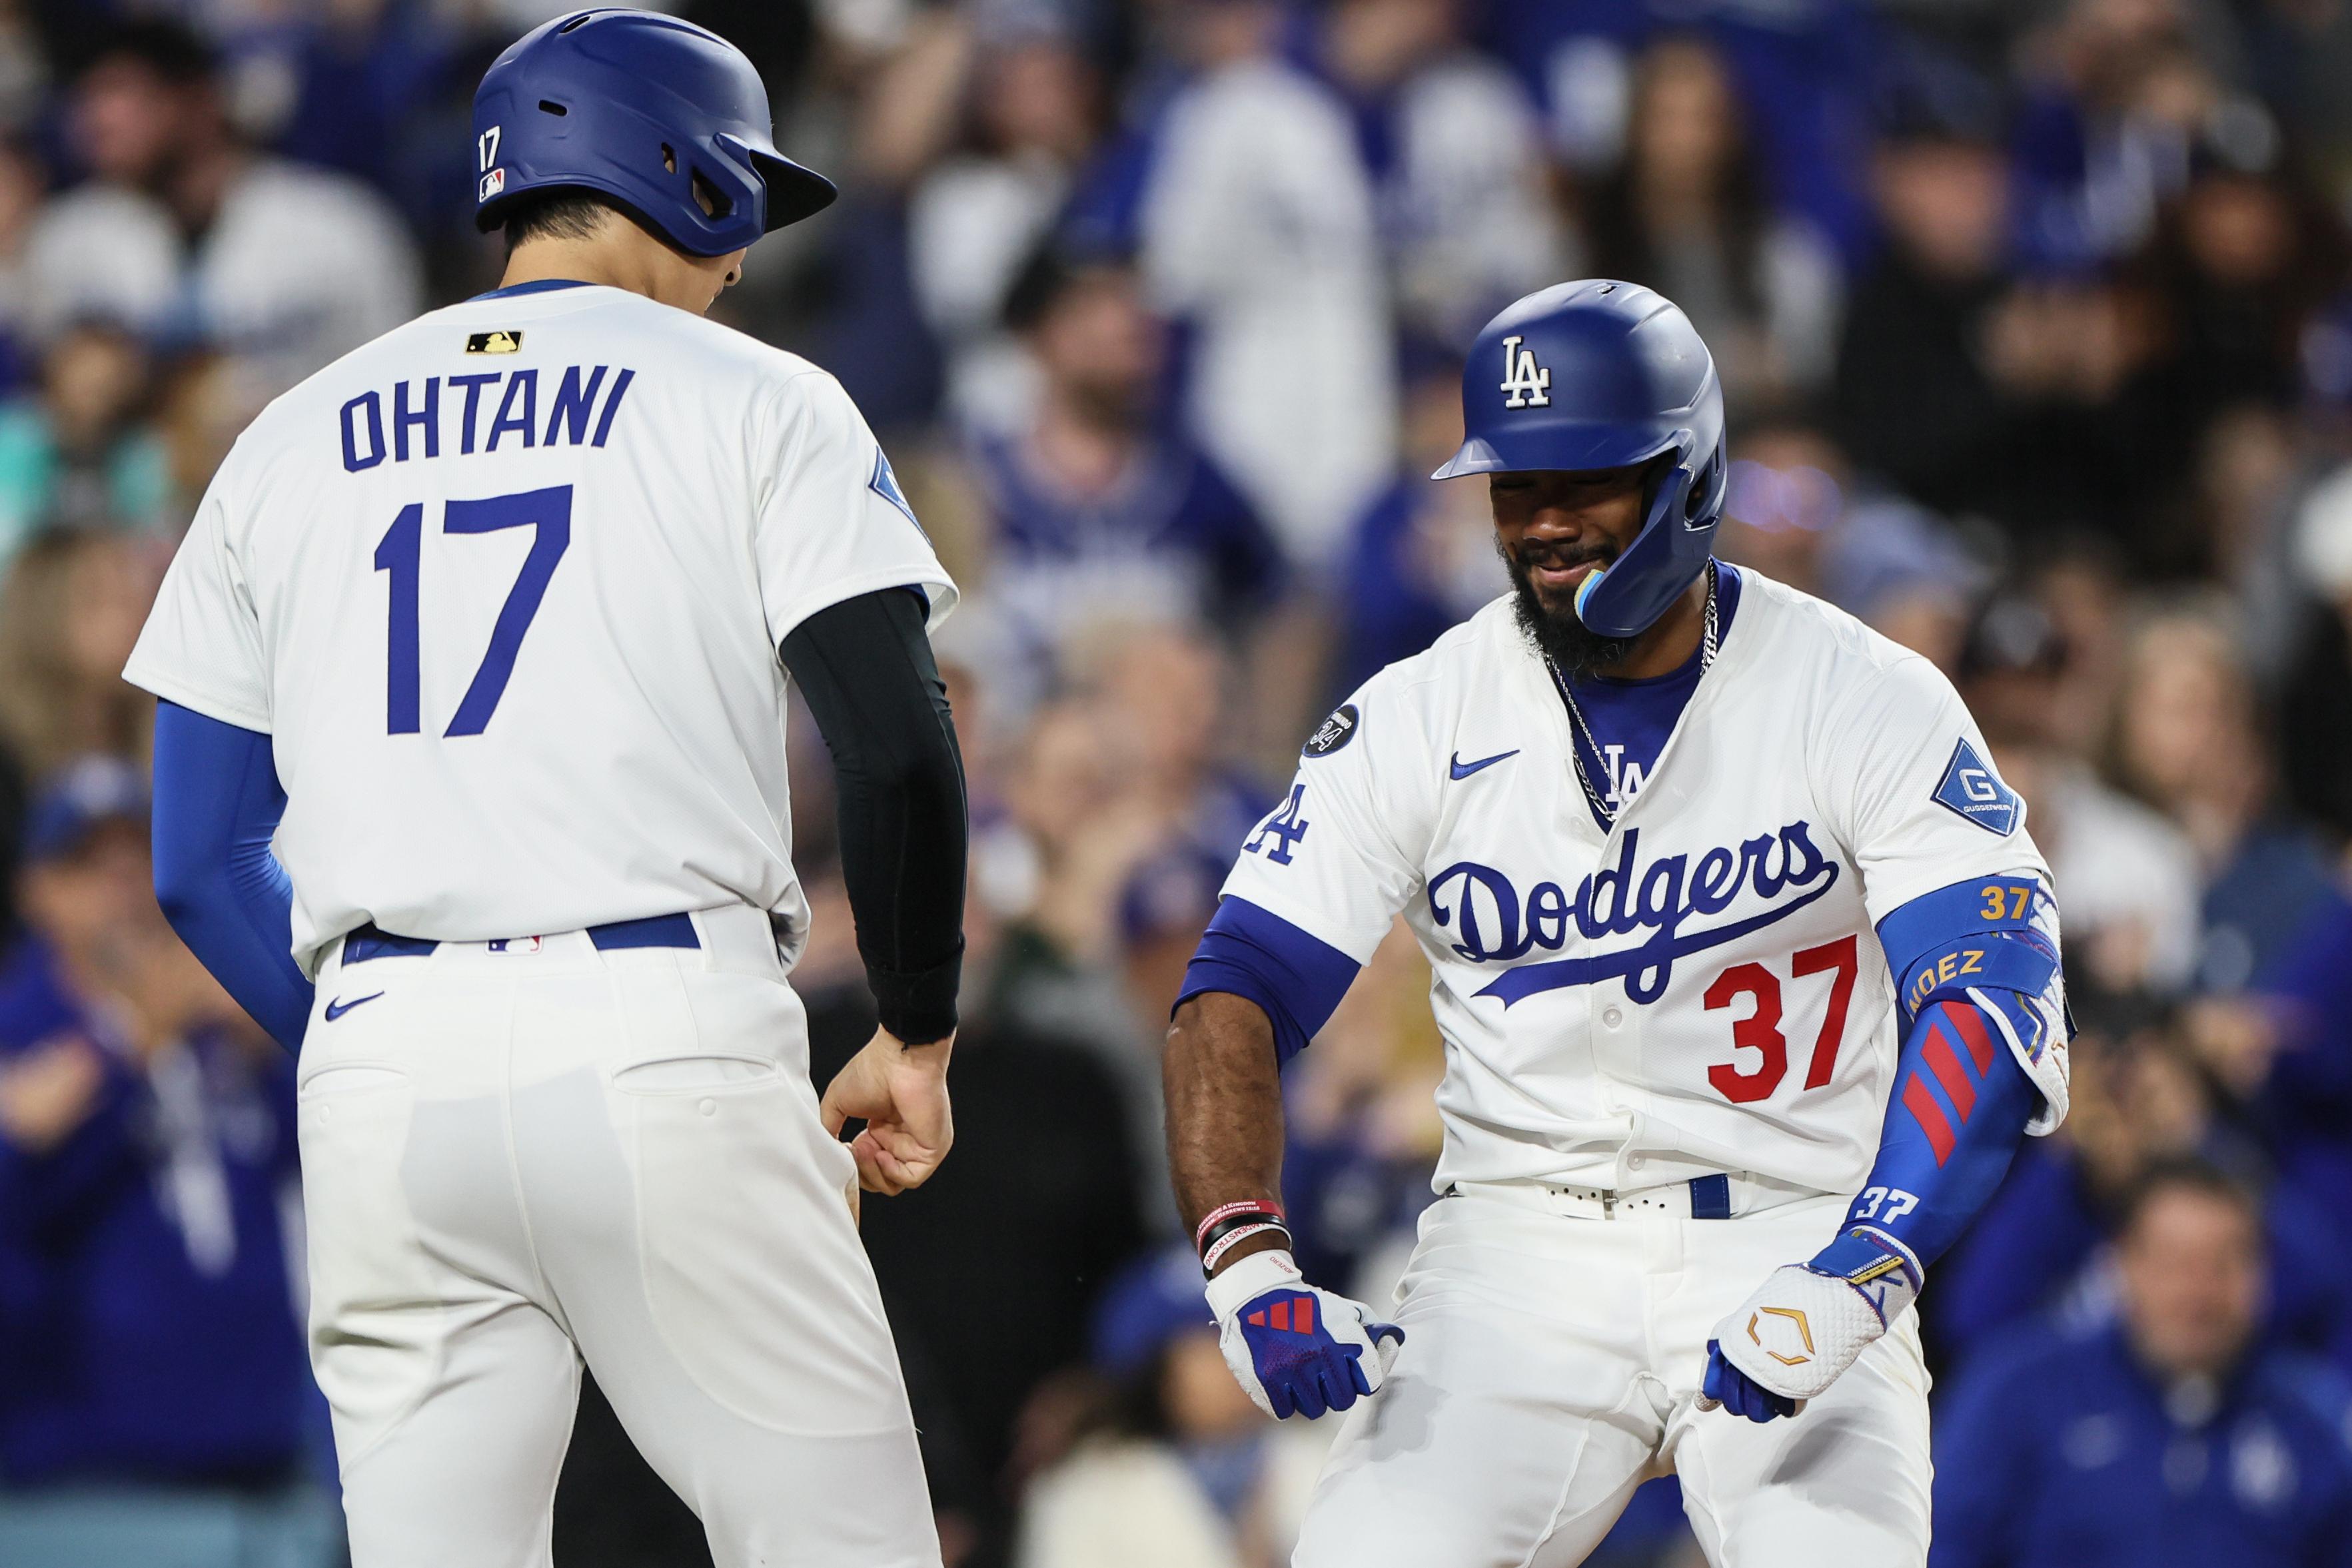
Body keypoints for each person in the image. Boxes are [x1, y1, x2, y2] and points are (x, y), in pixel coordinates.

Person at [119, 12, 970, 1568]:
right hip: (657, 1028)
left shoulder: (288, 432)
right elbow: (897, 741)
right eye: (741, 202)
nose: (742, 254)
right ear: (684, 174)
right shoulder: (758, 396)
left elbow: (197, 856)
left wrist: (384, 1045)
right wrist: (914, 1023)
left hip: (379, 1075)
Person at [1162, 280, 2074, 1565]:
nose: (1543, 520)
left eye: (1584, 478)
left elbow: (1992, 988)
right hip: (1517, 1247)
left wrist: (1874, 1253)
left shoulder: (1861, 691)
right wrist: (1247, 1255)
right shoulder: (1425, 710)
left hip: (1797, 1222)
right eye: (1512, 485)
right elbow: (1235, 984)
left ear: (1687, 472)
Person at [0, 758, 332, 1568]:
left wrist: (291, 1035)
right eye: (88, 865)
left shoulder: (227, 1024)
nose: (121, 887)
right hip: (80, 1486)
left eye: (137, 860)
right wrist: (122, 1047)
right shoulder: (22, 1024)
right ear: (35, 891)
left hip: (267, 1470)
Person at [1932, 1161, 2352, 1568]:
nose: (2198, 1292)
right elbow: (1945, 1547)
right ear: (2121, 1264)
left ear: (2263, 1272)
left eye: (2223, 1264)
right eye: (2174, 1262)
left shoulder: (2315, 1417)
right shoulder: (2020, 1391)